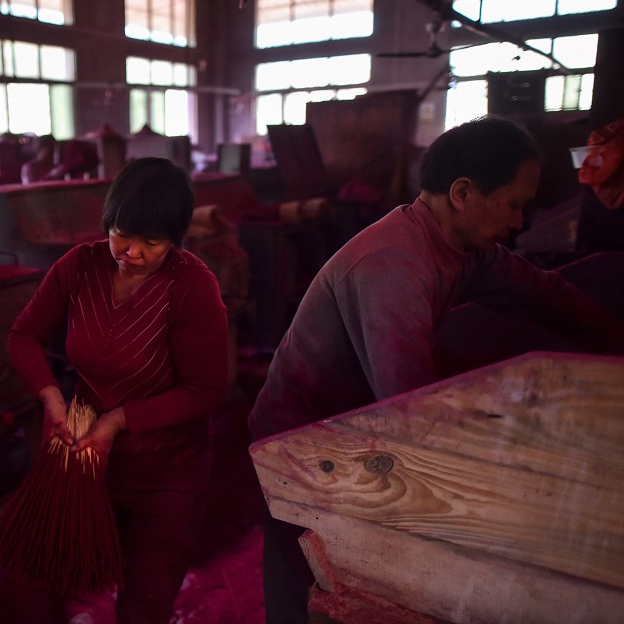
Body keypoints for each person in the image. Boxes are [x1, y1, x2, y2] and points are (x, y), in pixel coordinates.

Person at [248, 115, 624, 624]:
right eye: (514, 204)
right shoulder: (392, 265)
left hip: (352, 424)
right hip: (298, 438)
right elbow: (409, 404)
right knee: (308, 568)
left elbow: (543, 296)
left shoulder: (468, 248)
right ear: (463, 192)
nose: (518, 221)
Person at [6, 157, 230, 624]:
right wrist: (52, 397)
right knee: (54, 579)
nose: (131, 252)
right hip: (87, 464)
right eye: (121, 234)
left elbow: (206, 392)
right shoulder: (79, 267)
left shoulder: (191, 287)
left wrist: (117, 420)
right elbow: (23, 336)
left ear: (175, 240)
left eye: (151, 243)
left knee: (144, 605)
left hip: (166, 476)